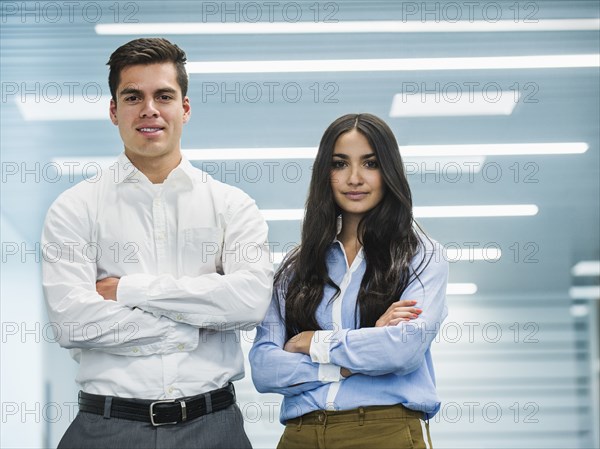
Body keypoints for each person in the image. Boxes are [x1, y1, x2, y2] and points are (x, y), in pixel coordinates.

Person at [41, 38, 273, 448]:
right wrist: (195, 322)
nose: (149, 109)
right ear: (114, 111)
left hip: (214, 428)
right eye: (133, 96)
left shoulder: (231, 205)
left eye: (163, 95)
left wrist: (128, 290)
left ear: (184, 108)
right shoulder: (74, 208)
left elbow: (249, 302)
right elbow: (73, 321)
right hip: (106, 429)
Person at [250, 113, 448, 449]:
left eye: (370, 163)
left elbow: (402, 350)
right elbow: (265, 368)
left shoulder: (422, 255)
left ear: (389, 172)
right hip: (301, 434)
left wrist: (313, 342)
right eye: (340, 164)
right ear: (324, 175)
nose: (354, 178)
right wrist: (351, 357)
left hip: (383, 430)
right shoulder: (294, 267)